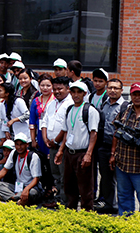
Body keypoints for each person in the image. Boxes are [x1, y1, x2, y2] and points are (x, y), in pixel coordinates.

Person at [54, 81, 98, 211]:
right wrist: (60, 151)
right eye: (73, 92)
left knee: (85, 187)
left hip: (83, 152)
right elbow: (67, 131)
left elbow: (93, 133)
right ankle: (71, 211)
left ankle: (86, 214)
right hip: (69, 152)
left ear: (84, 94)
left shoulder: (90, 110)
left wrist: (88, 154)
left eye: (79, 92)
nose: (76, 95)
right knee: (69, 185)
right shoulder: (69, 109)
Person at [40, 76, 72, 203]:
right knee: (55, 174)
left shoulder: (70, 104)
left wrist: (56, 141)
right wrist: (45, 139)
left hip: (62, 146)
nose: (57, 91)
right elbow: (44, 122)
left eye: (60, 89)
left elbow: (66, 127)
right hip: (51, 145)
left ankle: (64, 201)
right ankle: (57, 199)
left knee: (64, 175)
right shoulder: (52, 103)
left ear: (68, 89)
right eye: (55, 89)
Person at [95, 78, 125, 213]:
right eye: (110, 88)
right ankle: (109, 204)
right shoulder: (104, 104)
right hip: (104, 145)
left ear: (121, 90)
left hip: (120, 148)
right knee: (106, 177)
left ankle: (123, 206)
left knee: (121, 178)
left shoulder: (125, 106)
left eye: (116, 88)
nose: (112, 91)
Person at [0, 133, 42, 205]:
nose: (19, 147)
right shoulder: (14, 153)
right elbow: (5, 170)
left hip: (30, 187)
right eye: (17, 144)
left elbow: (36, 179)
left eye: (21, 144)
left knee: (32, 193)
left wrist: (26, 189)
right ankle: (16, 198)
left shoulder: (33, 156)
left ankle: (12, 198)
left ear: (27, 145)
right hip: (18, 186)